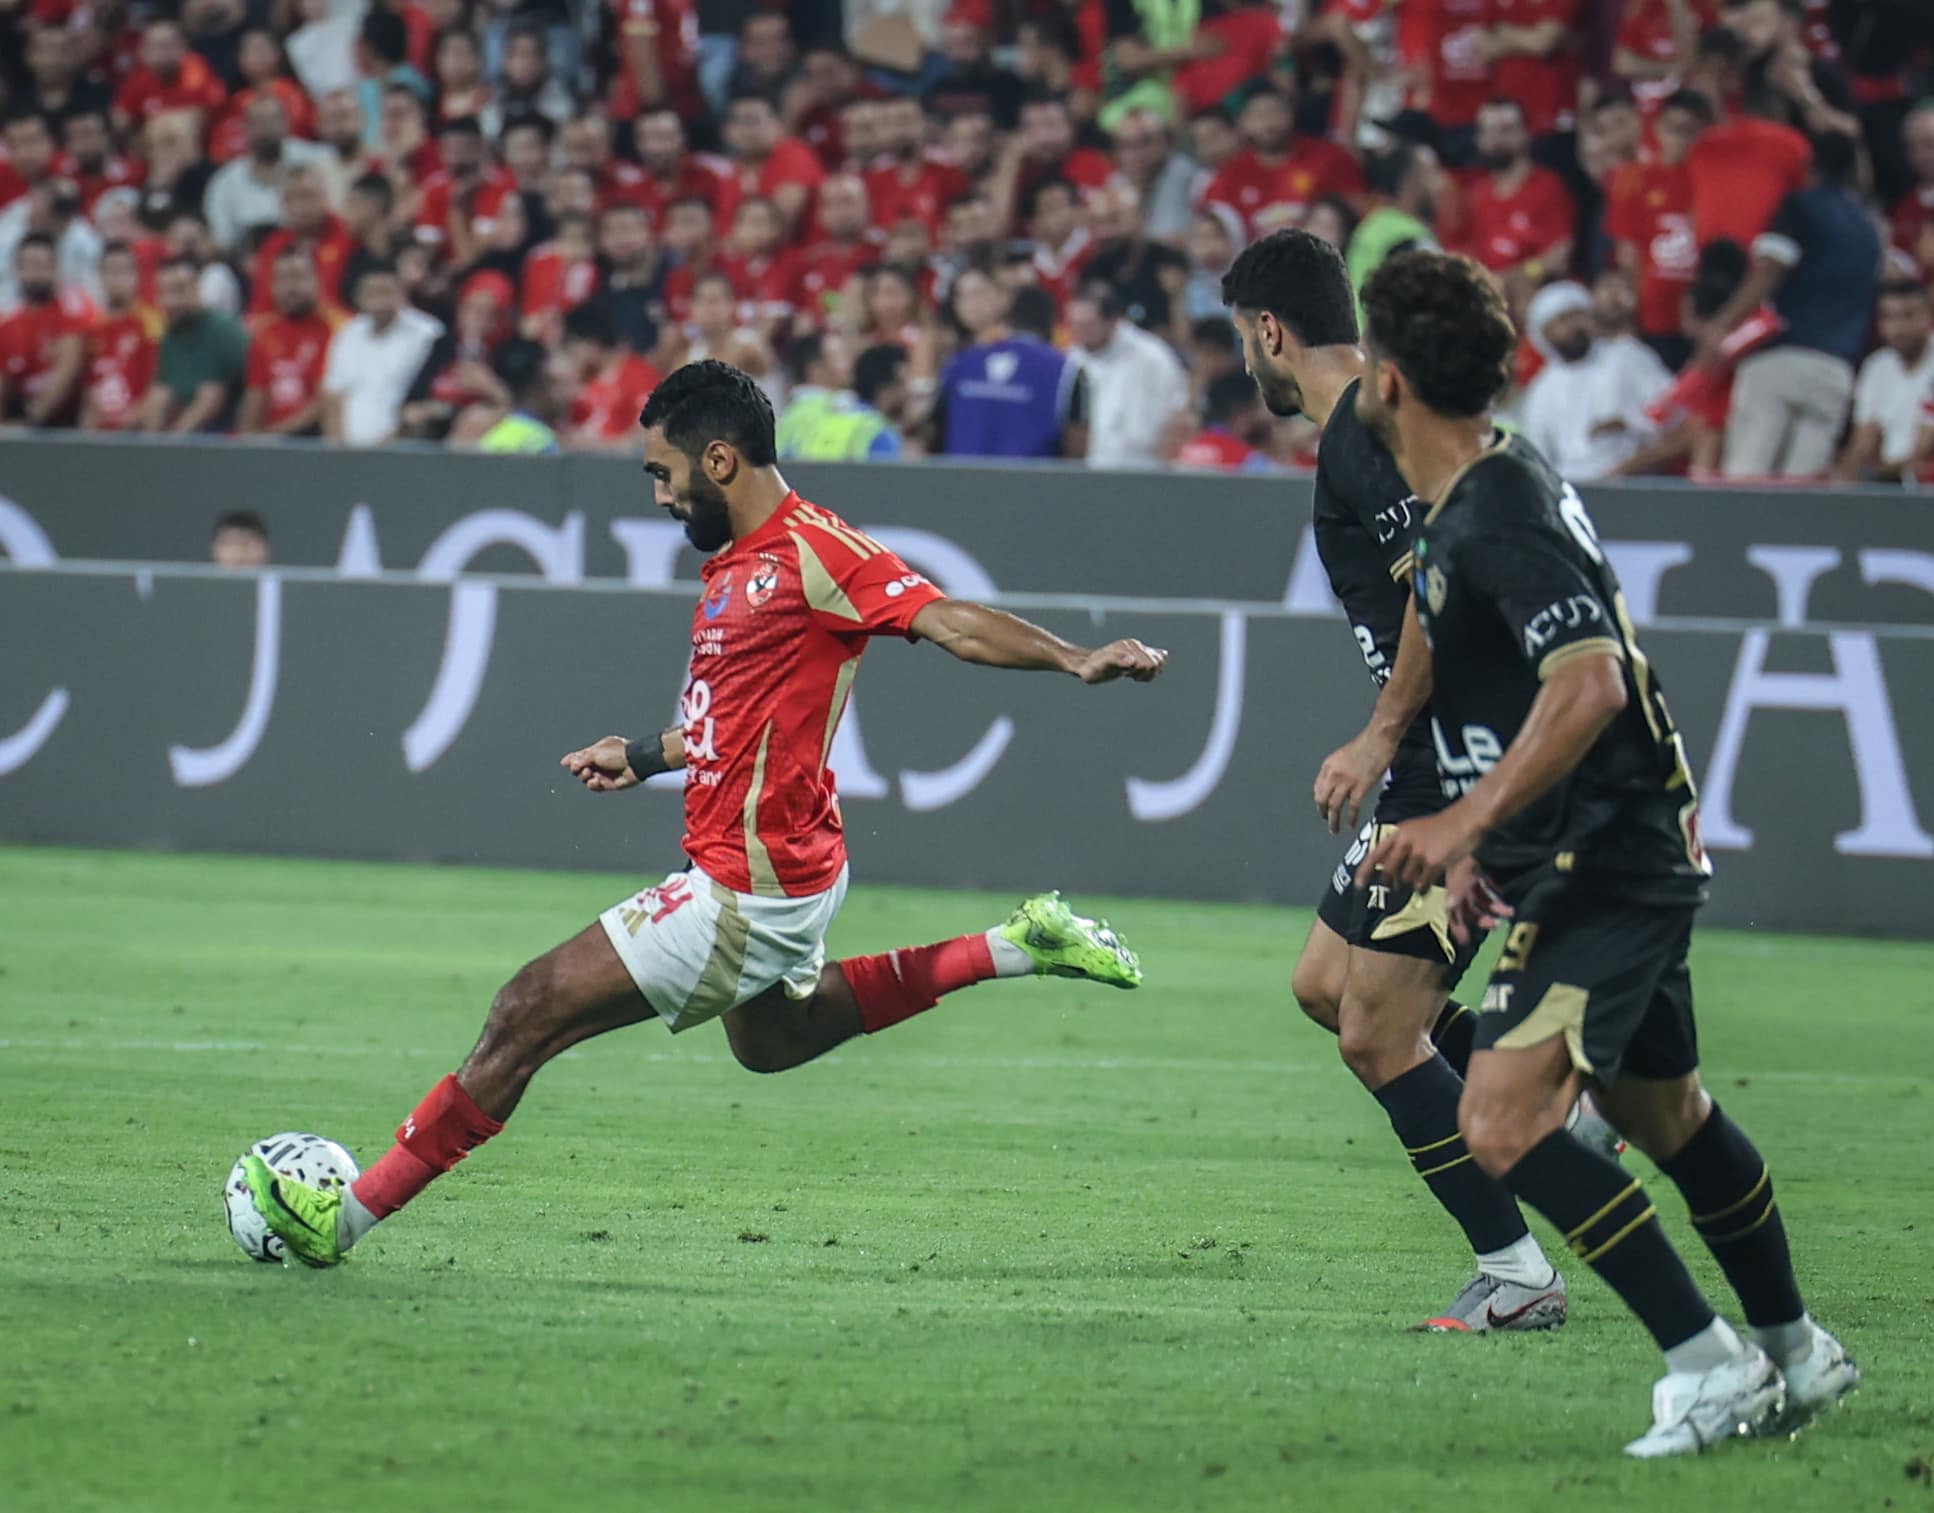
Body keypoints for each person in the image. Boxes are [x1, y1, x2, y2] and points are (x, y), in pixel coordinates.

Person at [239, 359, 1167, 1269]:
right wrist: (641, 755)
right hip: (782, 864)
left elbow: (948, 621)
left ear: (718, 461)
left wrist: (1074, 657)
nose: (659, 496)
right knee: (772, 1041)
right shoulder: (733, 569)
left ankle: (343, 1220)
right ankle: (1017, 945)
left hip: (747, 884)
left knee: (527, 1010)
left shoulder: (816, 549)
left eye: (663, 473)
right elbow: (728, 718)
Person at [1353, 247, 1856, 1455]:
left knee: (1503, 1120)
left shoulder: (1495, 511)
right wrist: (1489, 828)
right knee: (1667, 1112)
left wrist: (1458, 822)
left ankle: (1704, 1361)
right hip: (1597, 843)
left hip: (1605, 858)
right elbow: (1513, 684)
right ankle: (1794, 1350)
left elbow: (1588, 682)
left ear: (1383, 384)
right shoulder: (1497, 480)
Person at [1220, 229, 1573, 1331]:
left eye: (1242, 341)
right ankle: (1555, 1121)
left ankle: (1516, 1269)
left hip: (1451, 762)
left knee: (1376, 1030)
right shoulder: (1367, 423)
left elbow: (1441, 579)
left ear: (1268, 330)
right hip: (1430, 755)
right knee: (1324, 986)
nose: (1245, 365)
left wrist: (1377, 734)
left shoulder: (1364, 429)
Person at [1715, 131, 1880, 480]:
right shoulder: (1869, 228)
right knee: (1803, 501)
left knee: (1745, 482)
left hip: (1780, 357)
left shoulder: (1800, 206)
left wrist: (1723, 324)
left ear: (1809, 166)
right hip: (1835, 368)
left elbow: (1768, 272)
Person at [1516, 279, 1673, 481]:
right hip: (1571, 487)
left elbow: (1674, 412)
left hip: (1631, 480)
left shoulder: (1627, 355)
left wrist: (1628, 421)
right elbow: (1539, 455)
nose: (1574, 326)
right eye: (1562, 320)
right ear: (1545, 334)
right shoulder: (1542, 389)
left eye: (1578, 316)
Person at [933, 278, 1084, 459]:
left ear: (1004, 305)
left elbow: (935, 428)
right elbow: (1077, 442)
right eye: (961, 296)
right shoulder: (956, 363)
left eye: (978, 294)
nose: (970, 304)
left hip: (970, 481)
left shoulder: (961, 361)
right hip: (1016, 482)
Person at [1067, 282, 1190, 470]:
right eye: (1075, 326)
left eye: (1088, 326)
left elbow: (1179, 410)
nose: (1080, 334)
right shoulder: (1071, 359)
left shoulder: (1153, 356)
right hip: (1089, 467)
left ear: (1112, 321)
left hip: (1142, 466)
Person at [321, 261, 444, 446]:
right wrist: (338, 451)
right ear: (359, 297)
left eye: (386, 291)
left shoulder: (427, 334)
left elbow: (421, 398)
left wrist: (384, 448)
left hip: (400, 449)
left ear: (401, 291)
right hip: (345, 453)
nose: (379, 300)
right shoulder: (348, 333)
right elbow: (333, 395)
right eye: (372, 292)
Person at [238, 246, 343, 438]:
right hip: (273, 443)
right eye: (281, 279)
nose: (289, 287)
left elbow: (325, 402)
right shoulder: (264, 333)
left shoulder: (337, 329)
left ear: (317, 280)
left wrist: (272, 436)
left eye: (297, 277)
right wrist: (247, 439)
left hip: (317, 440)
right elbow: (255, 396)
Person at [138, 256, 251, 434]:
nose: (171, 301)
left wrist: (167, 445)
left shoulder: (220, 329)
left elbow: (210, 400)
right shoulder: (172, 331)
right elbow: (161, 394)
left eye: (179, 290)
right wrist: (147, 443)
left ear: (198, 289)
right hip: (194, 431)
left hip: (230, 433)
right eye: (164, 292)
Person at [1837, 280, 1934, 484]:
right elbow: (1863, 440)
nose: (1899, 328)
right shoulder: (1877, 366)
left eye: (1909, 315)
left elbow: (1924, 448)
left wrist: (1876, 475)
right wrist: (1847, 476)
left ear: (1929, 315)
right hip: (1892, 483)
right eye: (1889, 317)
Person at [0, 233, 91, 427]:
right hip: (20, 408)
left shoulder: (70, 307)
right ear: (17, 270)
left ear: (55, 269)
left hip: (63, 416)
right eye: (28, 266)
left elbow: (67, 368)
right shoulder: (9, 321)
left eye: (41, 266)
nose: (34, 275)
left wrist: (30, 422)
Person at [774, 330, 904, 460]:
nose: (851, 363)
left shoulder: (785, 420)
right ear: (816, 370)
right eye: (840, 357)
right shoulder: (864, 421)